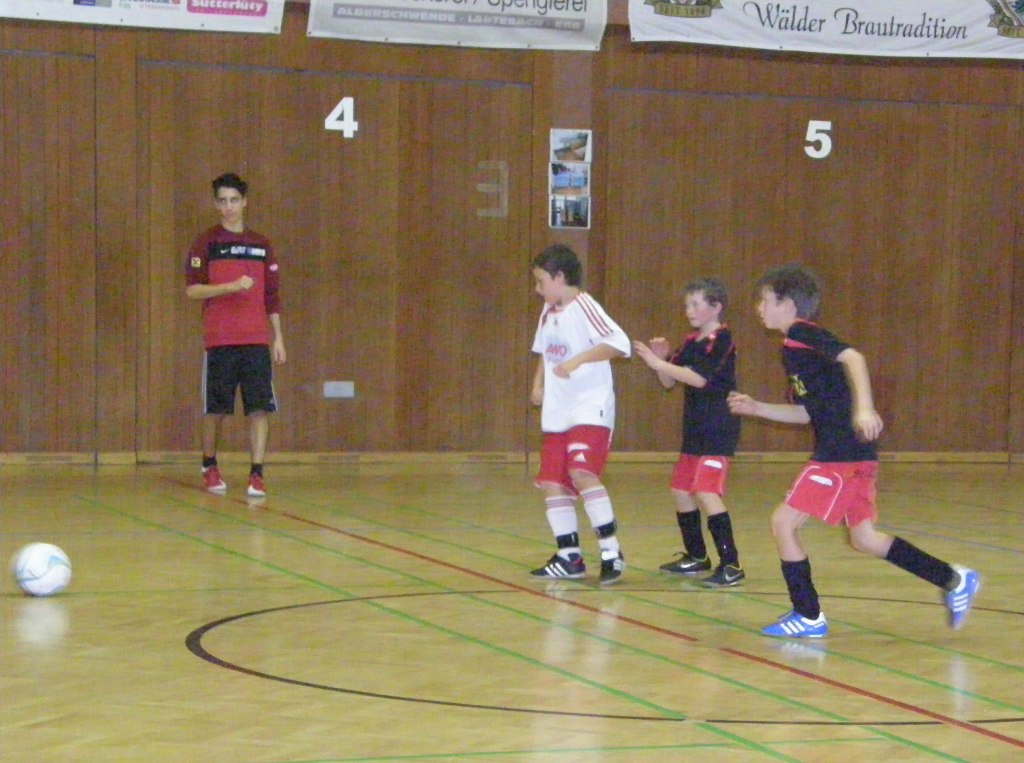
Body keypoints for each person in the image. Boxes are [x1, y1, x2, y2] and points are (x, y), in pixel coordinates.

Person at [727, 265, 979, 637]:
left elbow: (854, 358)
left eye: (764, 300)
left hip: (840, 455)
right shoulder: (793, 351)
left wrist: (865, 408)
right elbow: (807, 414)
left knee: (783, 523)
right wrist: (757, 408)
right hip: (853, 452)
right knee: (864, 539)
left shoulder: (801, 333)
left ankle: (808, 615)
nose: (758, 308)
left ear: (788, 304)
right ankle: (954, 579)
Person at [529, 244, 631, 584]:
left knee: (582, 471)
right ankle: (569, 557)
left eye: (541, 281)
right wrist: (538, 383)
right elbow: (544, 352)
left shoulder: (585, 306)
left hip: (589, 407)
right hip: (557, 411)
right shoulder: (547, 312)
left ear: (560, 278)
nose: (538, 289)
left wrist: (578, 360)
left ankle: (611, 552)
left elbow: (619, 343)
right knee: (551, 481)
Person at [633, 277, 744, 587]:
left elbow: (699, 379)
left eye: (695, 304)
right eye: (687, 305)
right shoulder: (692, 341)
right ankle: (697, 556)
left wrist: (658, 363)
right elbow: (670, 382)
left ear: (716, 307)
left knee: (706, 491)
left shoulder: (722, 339)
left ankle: (731, 564)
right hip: (695, 429)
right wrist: (661, 360)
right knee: (681, 490)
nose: (689, 310)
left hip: (718, 428)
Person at [185, 173, 286, 498]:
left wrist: (278, 337)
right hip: (220, 340)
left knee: (259, 409)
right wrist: (230, 287)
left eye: (234, 200)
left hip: (256, 340)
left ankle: (257, 474)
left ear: (245, 202)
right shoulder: (206, 243)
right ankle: (209, 465)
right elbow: (193, 290)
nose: (228, 207)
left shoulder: (262, 245)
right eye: (223, 201)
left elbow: (272, 296)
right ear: (216, 204)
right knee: (215, 409)